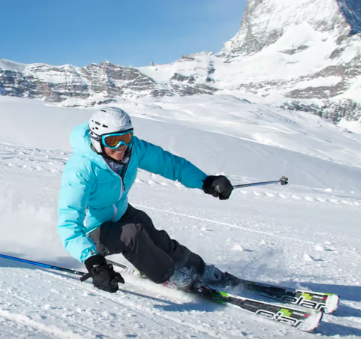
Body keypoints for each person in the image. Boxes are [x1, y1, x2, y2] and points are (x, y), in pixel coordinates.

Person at [57, 107, 234, 293]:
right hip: (93, 231)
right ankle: (168, 275)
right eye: (112, 141)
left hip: (120, 212)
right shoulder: (81, 170)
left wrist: (205, 181)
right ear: (97, 139)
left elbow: (169, 164)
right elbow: (68, 224)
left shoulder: (133, 149)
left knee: (148, 229)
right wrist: (93, 261)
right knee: (132, 234)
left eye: (125, 138)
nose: (120, 147)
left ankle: (197, 268)